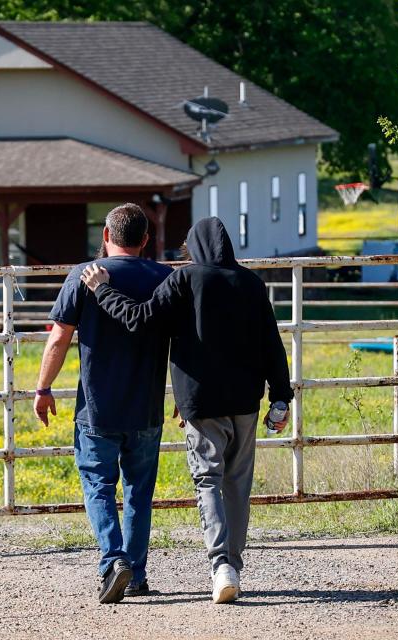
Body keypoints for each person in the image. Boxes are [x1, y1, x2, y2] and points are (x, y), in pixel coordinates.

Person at [79, 216, 293, 604]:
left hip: (201, 402)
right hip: (245, 402)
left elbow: (138, 319)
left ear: (194, 247)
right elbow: (272, 345)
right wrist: (281, 397)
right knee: (238, 486)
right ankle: (233, 564)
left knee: (207, 480)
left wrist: (102, 290)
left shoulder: (185, 279)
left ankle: (220, 566)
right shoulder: (251, 283)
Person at [34, 203, 172, 604]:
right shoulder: (166, 278)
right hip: (146, 407)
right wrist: (183, 394)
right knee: (139, 492)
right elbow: (185, 343)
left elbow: (59, 338)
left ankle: (113, 560)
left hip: (96, 407)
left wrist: (43, 389)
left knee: (98, 485)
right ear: (146, 240)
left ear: (107, 236)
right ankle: (137, 575)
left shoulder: (84, 276)